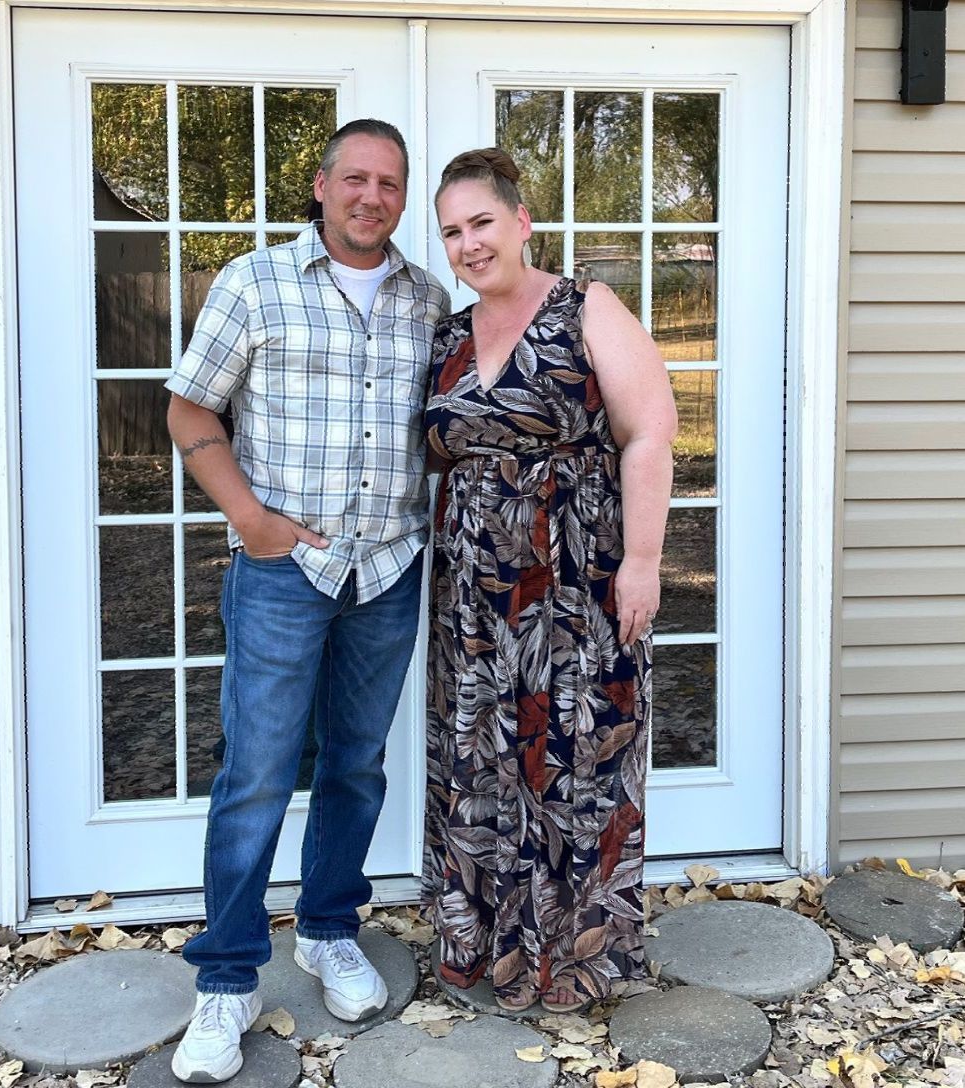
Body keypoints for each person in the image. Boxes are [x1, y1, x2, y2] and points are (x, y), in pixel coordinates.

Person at [165, 118, 449, 1082]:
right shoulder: (255, 282)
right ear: (322, 186)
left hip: (390, 567)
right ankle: (227, 977)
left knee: (356, 765)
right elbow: (189, 406)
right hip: (285, 570)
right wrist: (249, 518)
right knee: (255, 770)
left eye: (391, 183)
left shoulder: (427, 297)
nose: (373, 196)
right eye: (356, 178)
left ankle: (329, 930)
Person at [421, 148, 677, 1014]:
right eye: (452, 231)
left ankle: (572, 957)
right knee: (482, 759)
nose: (467, 244)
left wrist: (641, 561)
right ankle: (486, 947)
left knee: (574, 760)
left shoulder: (585, 306)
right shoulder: (449, 336)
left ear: (521, 222)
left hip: (579, 584)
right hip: (473, 603)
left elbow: (649, 432)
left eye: (481, 223)